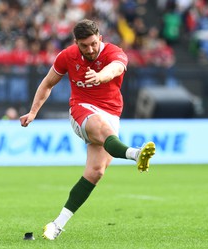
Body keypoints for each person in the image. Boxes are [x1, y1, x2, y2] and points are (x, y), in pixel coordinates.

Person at [19, 19, 156, 240]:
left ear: (100, 38)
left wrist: (100, 76)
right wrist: (33, 112)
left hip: (111, 113)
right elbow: (47, 83)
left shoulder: (114, 52)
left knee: (95, 172)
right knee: (101, 129)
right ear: (76, 43)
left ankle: (56, 225)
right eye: (84, 46)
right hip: (81, 109)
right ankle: (135, 153)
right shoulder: (67, 56)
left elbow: (115, 69)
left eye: (93, 43)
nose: (90, 49)